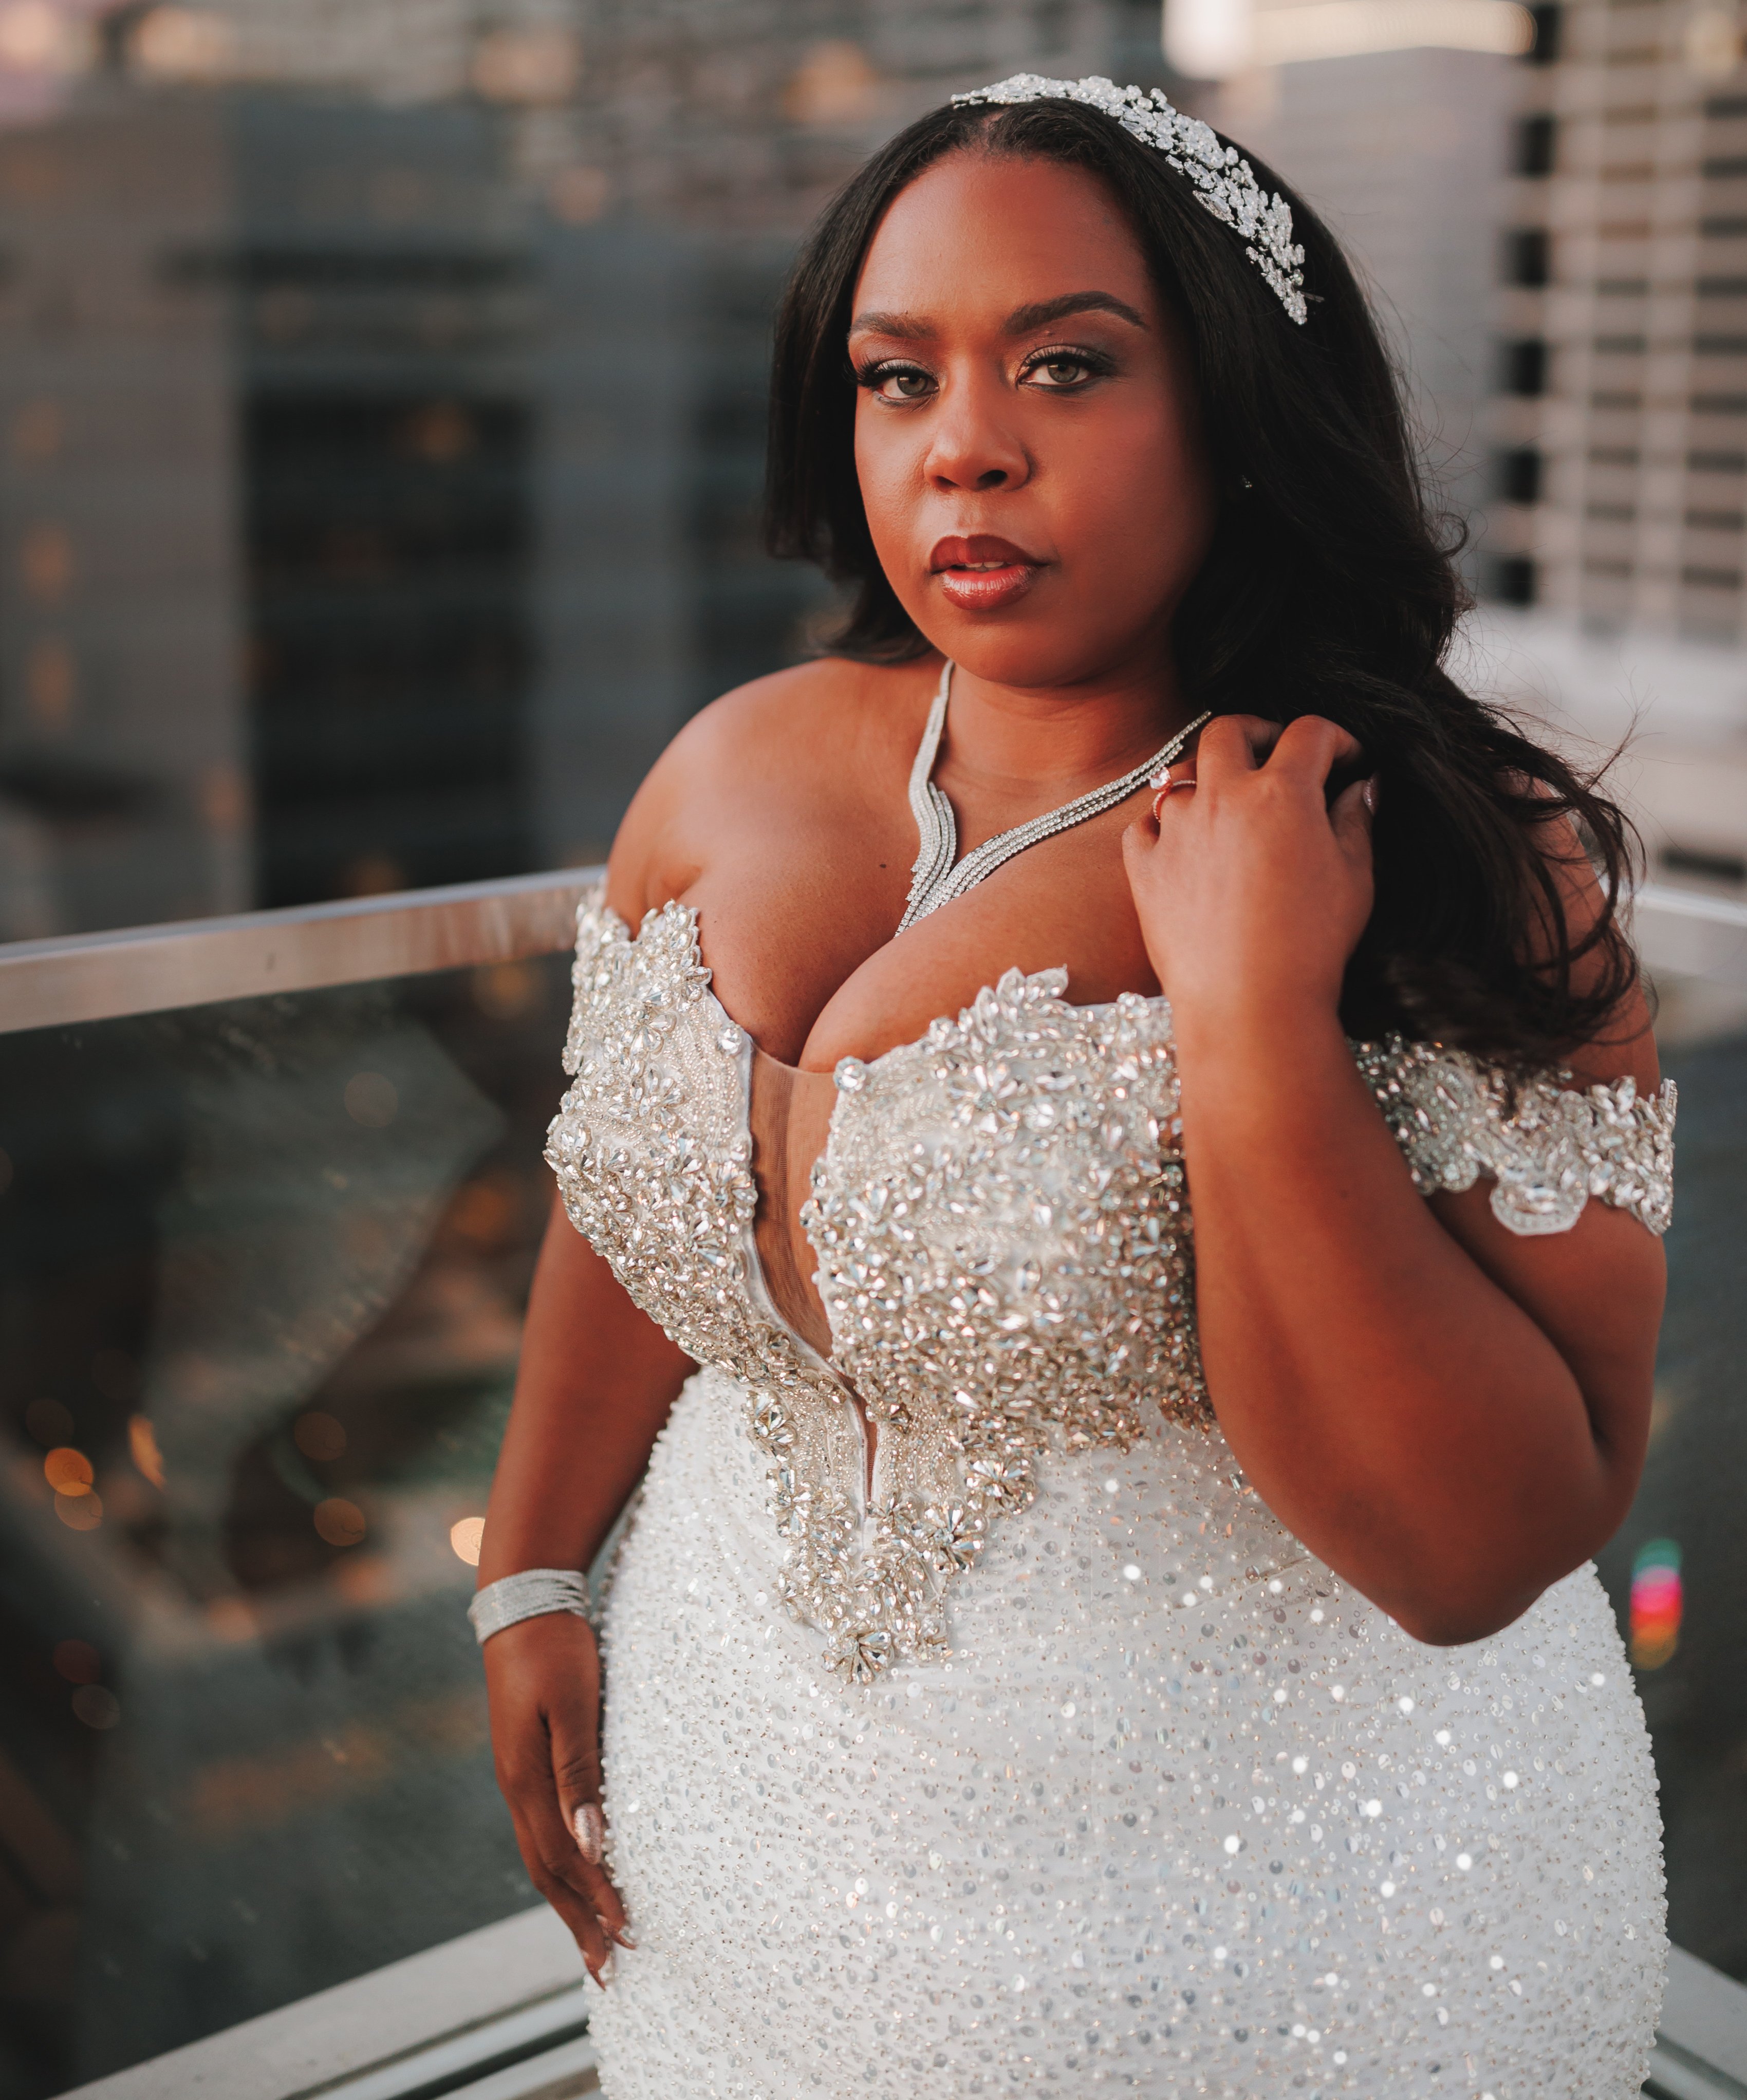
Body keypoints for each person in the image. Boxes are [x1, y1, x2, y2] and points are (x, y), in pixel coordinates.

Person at [471, 76, 1674, 2098]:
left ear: (1234, 404)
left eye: (1067, 363)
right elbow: (632, 1187)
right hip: (734, 1827)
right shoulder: (731, 765)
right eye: (893, 373)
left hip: (1270, 1939)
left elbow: (1484, 1545)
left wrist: (1253, 1019)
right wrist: (525, 1564)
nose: (964, 446)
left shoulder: (1442, 860)